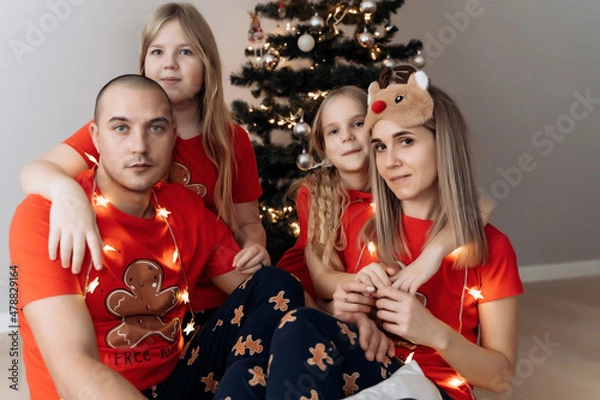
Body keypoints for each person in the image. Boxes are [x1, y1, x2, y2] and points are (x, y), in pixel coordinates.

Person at [10, 75, 303, 400]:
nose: (139, 146)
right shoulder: (44, 216)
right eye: (121, 128)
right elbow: (74, 371)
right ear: (96, 136)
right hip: (90, 393)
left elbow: (261, 292)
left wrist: (343, 315)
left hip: (174, 385)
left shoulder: (183, 208)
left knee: (275, 284)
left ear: (173, 135)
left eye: (156, 128)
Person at [237, 71, 522, 400]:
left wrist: (434, 333)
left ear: (442, 143)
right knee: (267, 357)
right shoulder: (360, 222)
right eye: (380, 147)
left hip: (433, 388)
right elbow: (324, 286)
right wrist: (347, 307)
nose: (391, 161)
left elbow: (501, 379)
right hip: (366, 371)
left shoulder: (491, 248)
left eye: (406, 141)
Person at [18, 2, 268, 317]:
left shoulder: (232, 140)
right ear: (143, 65)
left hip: (217, 300)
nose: (170, 64)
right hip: (143, 298)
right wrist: (69, 195)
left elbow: (248, 223)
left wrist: (255, 247)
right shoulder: (118, 134)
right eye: (157, 52)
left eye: (186, 52)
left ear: (208, 65)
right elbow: (35, 172)